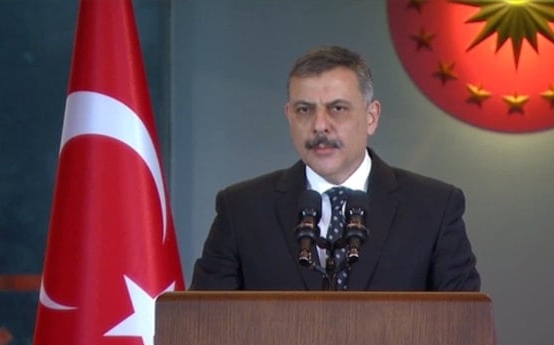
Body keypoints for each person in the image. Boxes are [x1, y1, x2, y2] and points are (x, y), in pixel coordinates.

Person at [190, 45, 480, 291]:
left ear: (371, 117)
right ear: (289, 116)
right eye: (304, 109)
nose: (319, 125)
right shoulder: (242, 210)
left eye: (337, 108)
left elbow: (464, 326)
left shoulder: (434, 208)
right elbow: (202, 324)